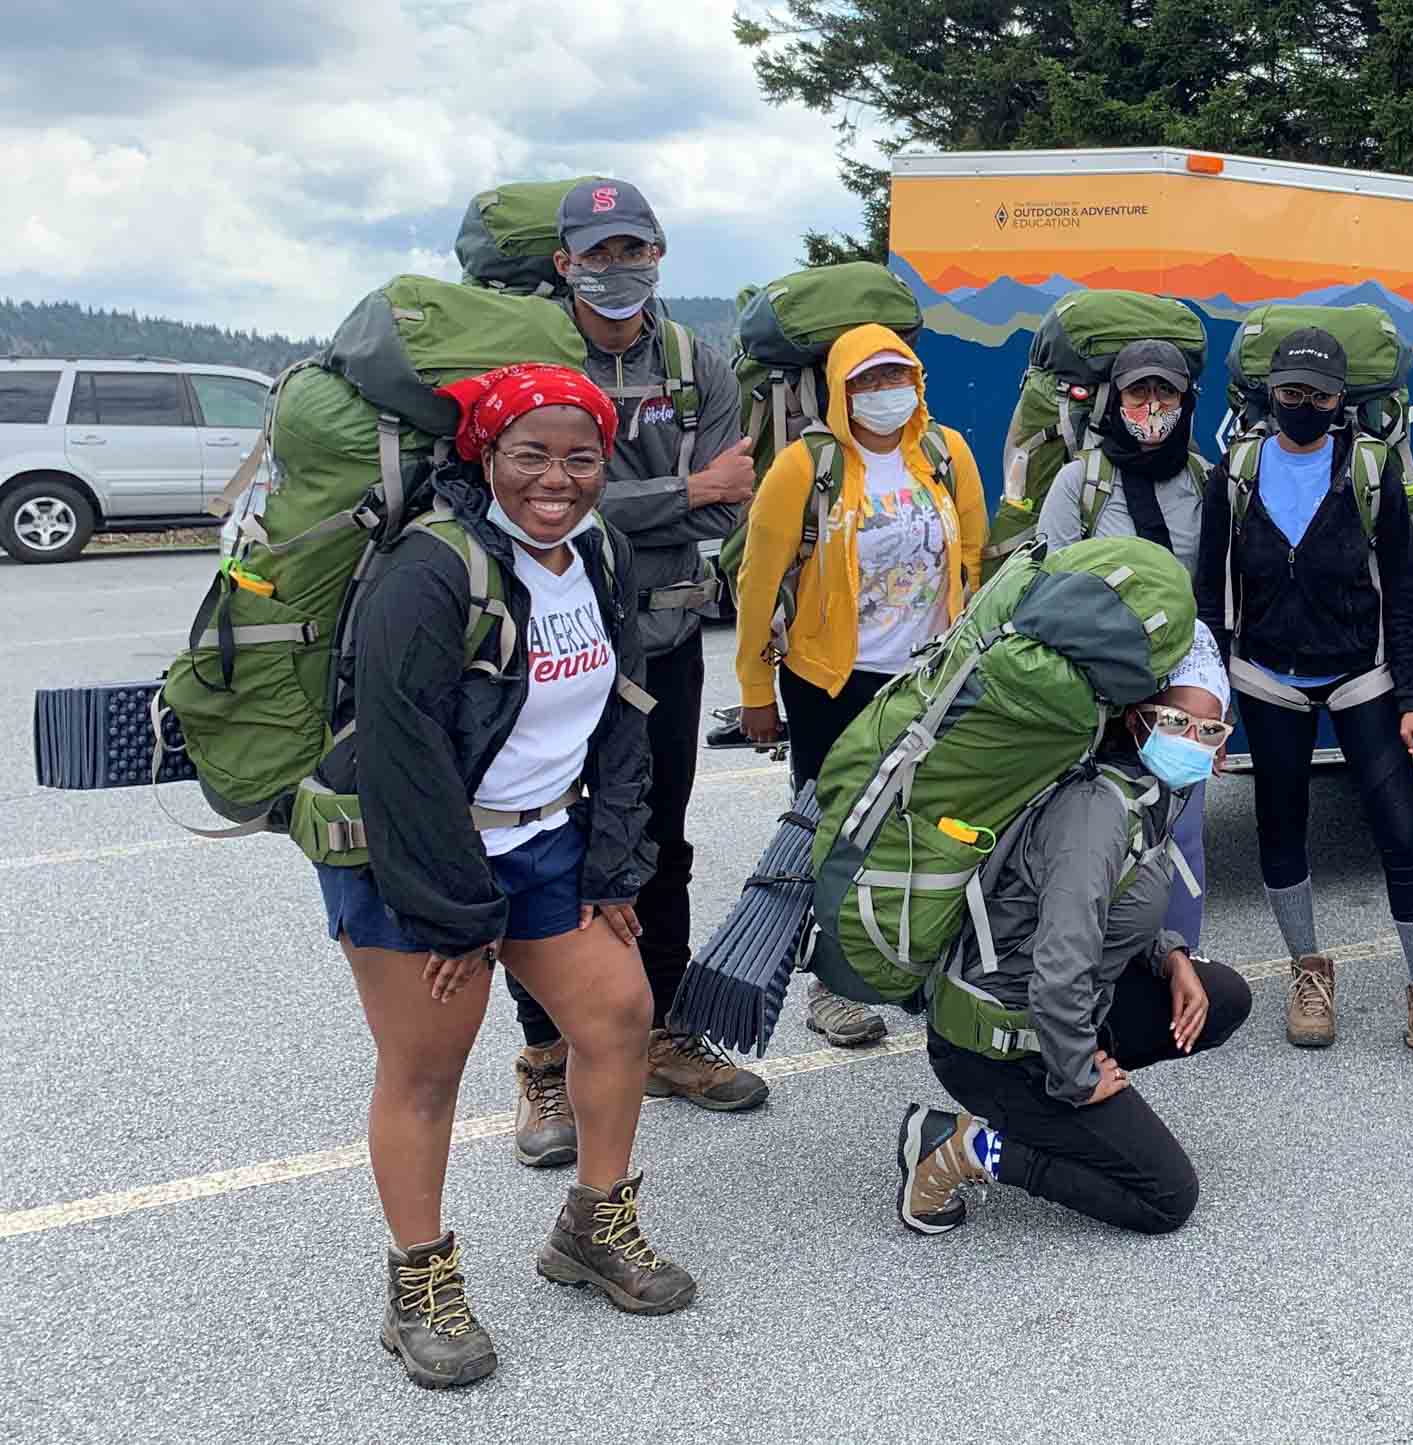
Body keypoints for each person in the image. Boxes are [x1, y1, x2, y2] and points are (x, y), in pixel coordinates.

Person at [316, 364, 696, 1390]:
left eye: (581, 455)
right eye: (532, 453)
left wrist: (614, 859)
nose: (558, 478)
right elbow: (402, 757)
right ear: (487, 453)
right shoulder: (431, 570)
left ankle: (592, 1224)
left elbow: (624, 705)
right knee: (426, 1067)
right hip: (414, 854)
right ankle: (420, 1285)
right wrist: (456, 916)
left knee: (618, 1013)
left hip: (544, 840)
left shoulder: (600, 552)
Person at [508, 177, 764, 1175]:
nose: (622, 269)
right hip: (550, 646)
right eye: (601, 252)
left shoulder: (698, 364)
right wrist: (680, 488)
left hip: (660, 643)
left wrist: (638, 498)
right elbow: (532, 497)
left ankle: (660, 1033)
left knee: (660, 838)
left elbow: (722, 508)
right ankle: (544, 1056)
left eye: (637, 249)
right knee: (543, 845)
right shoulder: (526, 362)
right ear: (564, 261)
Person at [893, 635, 1253, 1236]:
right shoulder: (1096, 814)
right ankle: (955, 1147)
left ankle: (1072, 1100)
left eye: (1209, 731)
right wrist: (1079, 1077)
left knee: (1223, 996)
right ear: (1137, 720)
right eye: (1176, 722)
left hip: (1055, 1016)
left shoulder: (1148, 792)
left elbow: (1114, 910)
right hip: (997, 1049)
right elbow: (1061, 963)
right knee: (1166, 1198)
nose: (1193, 741)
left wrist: (1170, 957)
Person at [1192, 327, 1413, 1068]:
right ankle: (1309, 970)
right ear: (1268, 393)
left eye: (1320, 395)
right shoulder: (1234, 473)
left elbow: (1404, 590)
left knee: (1402, 827)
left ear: (1344, 402)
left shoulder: (1368, 470)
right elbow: (1209, 594)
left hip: (1360, 674)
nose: (1303, 406)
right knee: (1280, 824)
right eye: (1290, 392)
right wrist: (1211, 699)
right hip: (1265, 676)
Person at [731, 324, 986, 1049]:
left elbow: (972, 553)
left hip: (929, 674)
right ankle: (831, 983)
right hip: (830, 683)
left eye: (894, 376)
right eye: (867, 382)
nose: (883, 394)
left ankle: (911, 954)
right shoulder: (805, 468)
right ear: (841, 391)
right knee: (835, 830)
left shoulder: (945, 453)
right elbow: (758, 582)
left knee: (928, 820)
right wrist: (755, 685)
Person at [1036, 338, 1217, 953]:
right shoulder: (1076, 485)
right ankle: (1089, 960)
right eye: (1139, 391)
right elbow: (1051, 591)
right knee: (1088, 829)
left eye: (1166, 391)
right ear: (1114, 400)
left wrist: (1205, 701)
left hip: (1179, 666)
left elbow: (1212, 593)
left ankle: (1178, 958)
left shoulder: (1202, 482)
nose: (1152, 404)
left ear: (1186, 402)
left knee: (1179, 824)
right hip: (1091, 678)